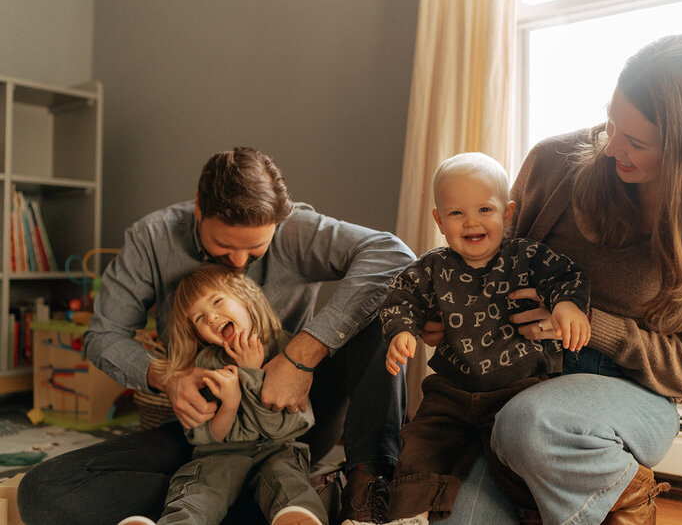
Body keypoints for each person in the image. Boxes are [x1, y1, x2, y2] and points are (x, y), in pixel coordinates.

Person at [431, 34, 682, 525]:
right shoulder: (555, 165)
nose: (611, 146)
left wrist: (593, 324)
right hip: (522, 380)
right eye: (611, 122)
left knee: (531, 425)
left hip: (631, 396)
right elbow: (492, 263)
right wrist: (447, 310)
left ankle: (624, 500)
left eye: (636, 141)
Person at [18, 147, 416, 525]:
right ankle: (285, 503)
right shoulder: (152, 239)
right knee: (45, 492)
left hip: (295, 418)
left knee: (382, 308)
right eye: (224, 247)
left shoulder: (296, 231)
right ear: (198, 207)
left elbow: (393, 256)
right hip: (209, 434)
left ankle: (368, 485)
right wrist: (167, 377)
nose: (240, 264)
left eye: (256, 249)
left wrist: (300, 356)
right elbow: (103, 335)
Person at [344, 153, 591, 525]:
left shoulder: (526, 257)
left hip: (517, 389)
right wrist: (401, 332)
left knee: (514, 459)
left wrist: (568, 306)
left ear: (507, 214)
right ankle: (407, 514)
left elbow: (566, 276)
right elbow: (401, 299)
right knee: (421, 442)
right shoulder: (431, 267)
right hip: (451, 390)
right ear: (439, 221)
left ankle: (536, 511)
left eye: (484, 210)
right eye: (457, 213)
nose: (471, 221)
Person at [117, 264, 327, 525]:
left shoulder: (288, 350)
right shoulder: (204, 364)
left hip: (276, 450)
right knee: (199, 490)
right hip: (221, 455)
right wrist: (230, 403)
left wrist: (251, 374)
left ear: (245, 296)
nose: (212, 318)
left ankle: (297, 519)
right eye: (199, 318)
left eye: (217, 301)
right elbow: (207, 439)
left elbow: (288, 430)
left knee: (288, 480)